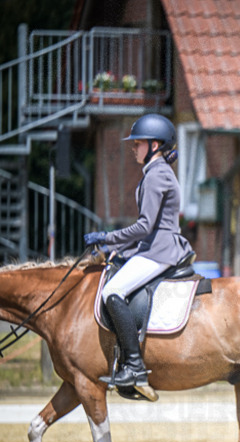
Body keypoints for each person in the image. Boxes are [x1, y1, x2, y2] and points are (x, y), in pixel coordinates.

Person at [83, 114, 194, 401]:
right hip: (154, 246)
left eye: (138, 143)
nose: (133, 148)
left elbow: (145, 226)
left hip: (161, 250)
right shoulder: (156, 172)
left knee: (112, 291)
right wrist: (117, 250)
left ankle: (135, 367)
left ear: (155, 145)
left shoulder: (157, 174)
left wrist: (107, 237)